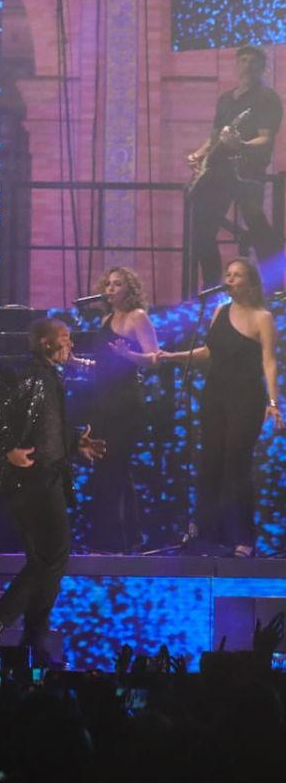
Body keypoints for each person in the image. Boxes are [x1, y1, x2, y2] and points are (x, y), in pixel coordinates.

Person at [0, 319, 106, 661]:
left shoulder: (49, 377)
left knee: (45, 559)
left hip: (47, 475)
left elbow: (46, 425)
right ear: (45, 343)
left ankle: (32, 636)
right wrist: (8, 448)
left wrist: (75, 443)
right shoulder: (26, 373)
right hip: (34, 479)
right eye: (64, 339)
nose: (70, 345)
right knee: (54, 555)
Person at [156, 257, 281, 556]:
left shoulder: (263, 317)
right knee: (210, 462)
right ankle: (209, 534)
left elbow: (269, 361)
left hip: (246, 397)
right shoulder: (218, 311)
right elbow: (209, 352)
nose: (231, 279)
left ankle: (243, 537)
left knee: (235, 464)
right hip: (215, 395)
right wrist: (173, 357)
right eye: (229, 274)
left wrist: (273, 402)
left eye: (237, 275)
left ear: (251, 284)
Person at [186, 45, 283, 293]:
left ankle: (276, 288)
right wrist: (199, 154)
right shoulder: (226, 100)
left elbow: (266, 138)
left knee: (256, 224)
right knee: (203, 229)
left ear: (262, 67)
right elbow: (215, 138)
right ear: (237, 65)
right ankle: (212, 288)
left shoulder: (266, 97)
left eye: (253, 62)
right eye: (243, 61)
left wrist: (242, 145)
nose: (247, 66)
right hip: (219, 173)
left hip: (247, 173)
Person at [75, 266, 157, 552]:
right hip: (102, 399)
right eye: (108, 284)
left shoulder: (138, 317)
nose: (110, 289)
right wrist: (78, 363)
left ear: (129, 289)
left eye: (117, 284)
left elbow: (153, 358)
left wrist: (129, 354)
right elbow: (105, 364)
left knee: (114, 465)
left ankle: (112, 539)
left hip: (125, 402)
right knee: (112, 468)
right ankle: (129, 536)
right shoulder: (107, 318)